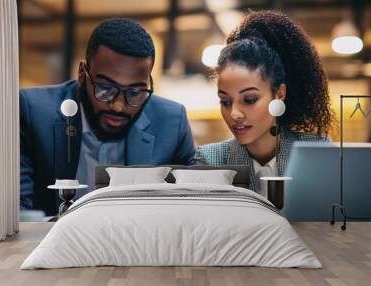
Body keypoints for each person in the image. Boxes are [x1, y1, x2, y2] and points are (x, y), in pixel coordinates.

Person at [20, 18, 195, 215]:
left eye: (135, 92)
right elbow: (17, 213)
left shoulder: (172, 123)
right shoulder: (32, 112)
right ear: (81, 74)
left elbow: (186, 212)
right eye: (105, 88)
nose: (119, 106)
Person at [195, 11, 335, 197]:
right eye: (225, 101)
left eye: (249, 100)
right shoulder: (209, 160)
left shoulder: (318, 153)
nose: (234, 113)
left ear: (279, 94)